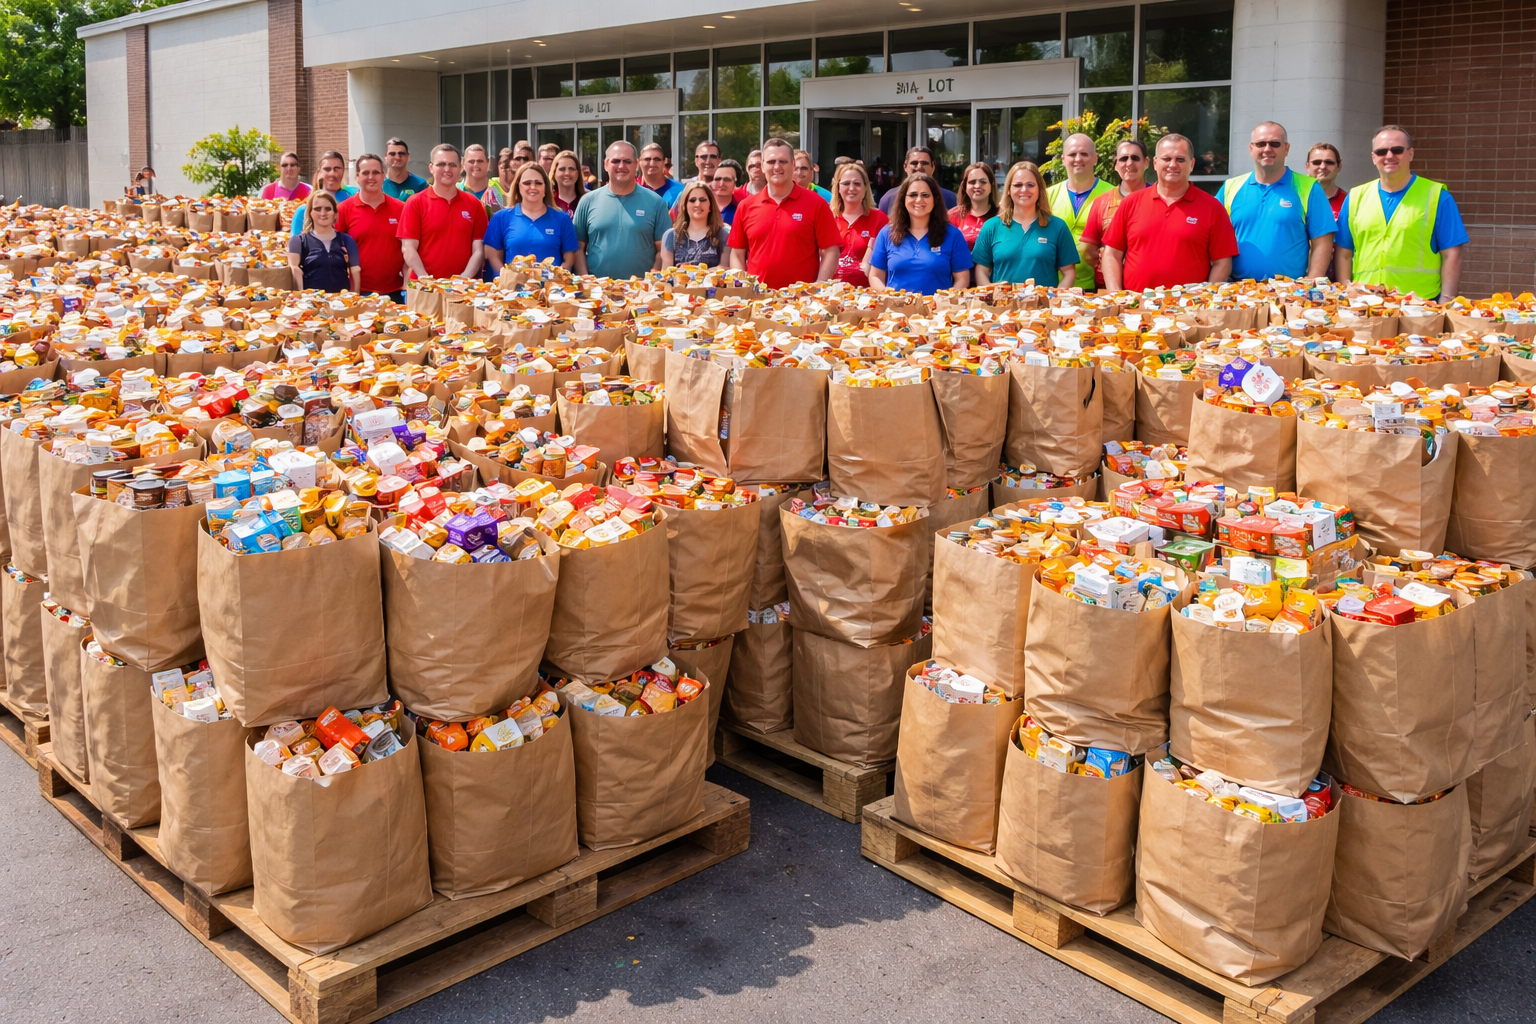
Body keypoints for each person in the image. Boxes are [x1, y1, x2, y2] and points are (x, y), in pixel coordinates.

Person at [1335, 125, 1468, 300]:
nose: (1389, 156)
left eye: (1397, 150)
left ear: (1410, 154)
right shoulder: (1355, 197)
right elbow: (1344, 252)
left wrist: (1446, 300)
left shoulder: (1437, 196)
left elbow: (1452, 254)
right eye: (1382, 151)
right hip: (1366, 301)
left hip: (1420, 303)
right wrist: (1347, 294)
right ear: (1374, 158)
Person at [1100, 134, 1240, 291]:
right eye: (1166, 159)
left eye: (1180, 159)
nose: (1172, 165)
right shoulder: (1131, 203)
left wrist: (1205, 297)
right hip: (1136, 309)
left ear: (1192, 164)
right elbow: (1111, 254)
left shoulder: (1212, 207)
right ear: (1155, 163)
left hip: (1188, 310)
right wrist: (1115, 295)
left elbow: (1223, 262)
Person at [1220, 122, 1336, 282]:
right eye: (1261, 144)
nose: (1267, 149)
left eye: (1275, 143)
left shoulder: (1309, 187)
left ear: (1286, 148)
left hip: (1289, 292)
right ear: (1251, 149)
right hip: (1237, 290)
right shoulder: (1230, 188)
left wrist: (1311, 283)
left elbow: (1322, 243)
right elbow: (1212, 238)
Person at [727, 137, 840, 287]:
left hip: (802, 302)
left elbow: (832, 250)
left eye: (783, 161)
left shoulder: (816, 203)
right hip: (759, 300)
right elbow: (737, 254)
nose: (777, 167)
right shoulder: (745, 206)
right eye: (771, 162)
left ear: (793, 165)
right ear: (762, 165)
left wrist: (819, 286)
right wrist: (743, 286)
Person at [573, 140, 670, 280]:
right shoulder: (588, 201)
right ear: (605, 164)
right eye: (615, 161)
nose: (621, 166)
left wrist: (652, 282)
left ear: (636, 164)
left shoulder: (655, 202)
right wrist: (585, 280)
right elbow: (578, 247)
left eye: (627, 161)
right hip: (598, 293)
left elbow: (663, 251)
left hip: (641, 293)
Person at [971, 162, 1079, 287]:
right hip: (1003, 304)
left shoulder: (1058, 226)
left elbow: (1069, 272)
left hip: (1044, 305)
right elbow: (981, 270)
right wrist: (991, 295)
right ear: (1008, 190)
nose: (1024, 189)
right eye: (1017, 185)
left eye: (1030, 185)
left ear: (1039, 189)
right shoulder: (991, 227)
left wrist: (1055, 298)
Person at [868, 173, 972, 295]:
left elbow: (963, 279)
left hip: (938, 311)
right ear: (903, 199)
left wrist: (945, 300)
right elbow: (875, 276)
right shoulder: (886, 233)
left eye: (925, 195)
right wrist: (887, 294)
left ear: (935, 199)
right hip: (895, 311)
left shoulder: (953, 235)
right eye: (913, 195)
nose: (919, 200)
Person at [397, 144, 487, 280]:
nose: (447, 169)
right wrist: (425, 278)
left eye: (452, 164)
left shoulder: (474, 204)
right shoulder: (415, 203)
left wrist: (464, 279)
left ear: (460, 167)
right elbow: (408, 248)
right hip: (425, 288)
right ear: (431, 168)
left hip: (464, 290)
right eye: (441, 164)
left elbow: (479, 250)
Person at [1046, 133, 1114, 290]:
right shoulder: (1048, 195)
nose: (1078, 159)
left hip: (1098, 286)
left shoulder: (1113, 195)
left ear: (1095, 158)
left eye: (1084, 154)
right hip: (1053, 286)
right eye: (1072, 154)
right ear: (1063, 159)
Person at [483, 162, 579, 274]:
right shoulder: (501, 218)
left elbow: (569, 259)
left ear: (546, 187)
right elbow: (492, 255)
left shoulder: (562, 219)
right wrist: (508, 278)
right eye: (527, 183)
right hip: (512, 289)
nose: (533, 187)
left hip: (551, 288)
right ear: (518, 186)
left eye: (538, 183)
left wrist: (554, 279)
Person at [336, 153, 407, 301]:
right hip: (358, 292)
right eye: (365, 173)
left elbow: (410, 250)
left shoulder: (401, 208)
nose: (371, 177)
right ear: (357, 177)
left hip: (396, 291)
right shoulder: (343, 210)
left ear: (383, 176)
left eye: (375, 172)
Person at [1080, 139, 1150, 289]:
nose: (1129, 163)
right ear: (1116, 165)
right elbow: (1088, 250)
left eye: (1135, 158)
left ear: (1147, 162)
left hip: (1148, 288)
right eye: (1124, 158)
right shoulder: (1101, 202)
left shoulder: (1158, 198)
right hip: (1108, 288)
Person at [287, 193, 361, 294]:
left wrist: (355, 299)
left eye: (328, 209)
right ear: (310, 213)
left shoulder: (347, 240)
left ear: (335, 213)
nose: (323, 213)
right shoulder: (298, 241)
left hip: (341, 302)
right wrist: (303, 298)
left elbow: (355, 271)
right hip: (313, 302)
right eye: (317, 209)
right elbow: (295, 270)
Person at [829, 161, 887, 287]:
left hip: (867, 294)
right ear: (838, 187)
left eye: (857, 184)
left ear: (865, 188)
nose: (851, 188)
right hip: (831, 294)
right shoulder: (828, 217)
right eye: (846, 183)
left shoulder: (879, 219)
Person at [662, 182, 733, 269]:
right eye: (692, 200)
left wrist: (697, 272)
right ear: (685, 206)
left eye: (702, 200)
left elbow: (725, 267)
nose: (697, 204)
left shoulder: (724, 234)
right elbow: (666, 274)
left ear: (710, 205)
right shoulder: (670, 236)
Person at [289, 151, 358, 237]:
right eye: (327, 169)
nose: (332, 173)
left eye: (337, 168)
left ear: (343, 170)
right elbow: (294, 246)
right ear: (320, 172)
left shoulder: (355, 202)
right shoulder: (304, 211)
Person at [878, 147, 957, 215]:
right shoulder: (888, 198)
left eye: (924, 163)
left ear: (933, 167)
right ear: (905, 166)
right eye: (914, 163)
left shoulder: (950, 198)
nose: (919, 167)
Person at [949, 161, 999, 245]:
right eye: (972, 182)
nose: (977, 186)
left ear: (991, 186)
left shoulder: (1002, 216)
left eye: (983, 182)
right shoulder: (952, 216)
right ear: (964, 186)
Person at [1307, 143, 1347, 219]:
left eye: (1329, 162)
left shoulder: (1348, 201)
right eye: (1317, 162)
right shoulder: (1295, 199)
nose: (1322, 166)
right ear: (1307, 166)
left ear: (1339, 166)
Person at [550, 150, 586, 215]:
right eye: (562, 169)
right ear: (554, 173)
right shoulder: (547, 201)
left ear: (578, 173)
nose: (567, 173)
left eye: (571, 169)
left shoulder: (588, 200)